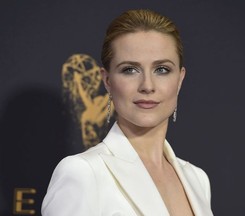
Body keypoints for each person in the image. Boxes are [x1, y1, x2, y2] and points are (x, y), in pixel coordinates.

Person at [41, 9, 214, 216]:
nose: (147, 86)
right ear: (107, 81)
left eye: (162, 70)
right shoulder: (83, 172)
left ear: (179, 80)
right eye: (130, 70)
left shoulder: (197, 179)